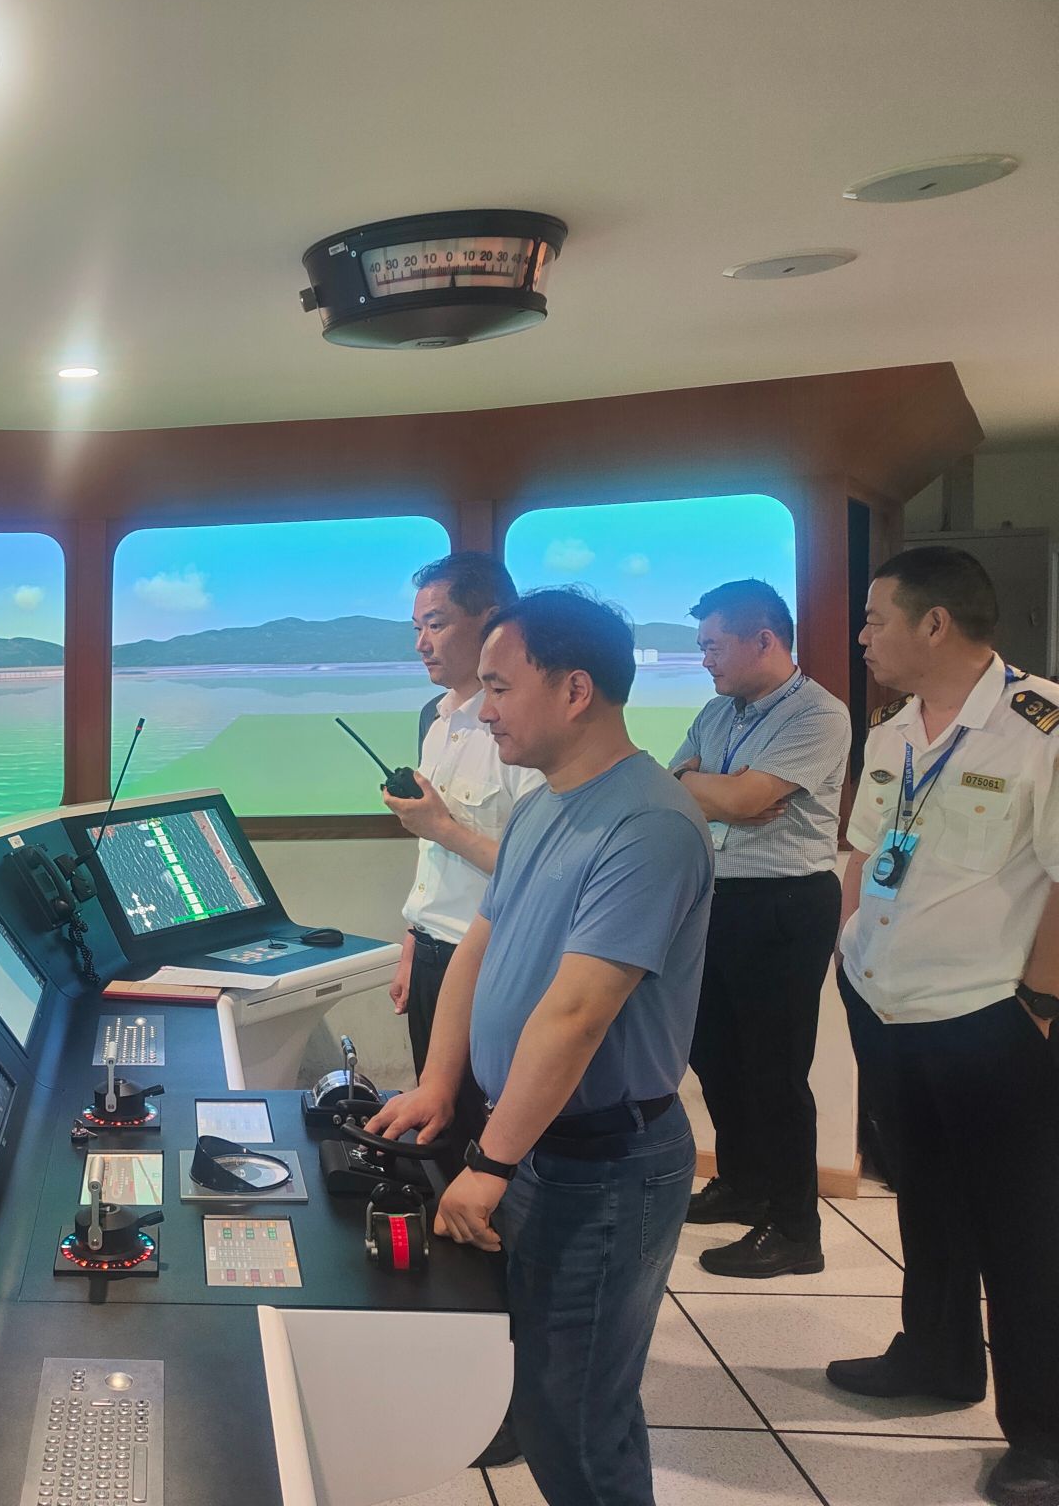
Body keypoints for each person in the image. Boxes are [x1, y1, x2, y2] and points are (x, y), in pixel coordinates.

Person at [372, 588, 713, 1506]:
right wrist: (439, 1084)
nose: (483, 710)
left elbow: (577, 1016)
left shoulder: (648, 824)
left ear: (574, 690)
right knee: (544, 1385)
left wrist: (489, 1160)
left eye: (499, 686)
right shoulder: (541, 807)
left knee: (577, 1416)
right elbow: (478, 948)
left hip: (604, 1161)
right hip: (534, 1143)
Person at [831, 546, 1059, 1505]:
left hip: (991, 1018)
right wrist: (845, 954)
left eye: (875, 618)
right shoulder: (892, 731)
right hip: (888, 1006)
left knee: (1022, 1229)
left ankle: (1044, 1437)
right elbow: (865, 851)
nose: (862, 636)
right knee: (923, 1199)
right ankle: (937, 1356)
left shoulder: (1039, 727)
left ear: (935, 624)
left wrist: (1038, 1007)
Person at [667, 580, 850, 1277]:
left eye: (714, 646)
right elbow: (670, 784)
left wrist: (727, 794)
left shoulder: (818, 714)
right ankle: (742, 1185)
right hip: (714, 899)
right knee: (714, 1056)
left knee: (775, 1071)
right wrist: (721, 794)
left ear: (764, 640)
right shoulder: (717, 711)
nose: (704, 660)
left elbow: (747, 797)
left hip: (785, 904)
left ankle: (796, 1229)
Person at [387, 552, 542, 1143]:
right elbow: (436, 859)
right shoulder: (436, 720)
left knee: (490, 1138)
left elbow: (540, 873)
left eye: (437, 624)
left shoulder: (525, 731)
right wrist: (413, 940)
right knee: (438, 1134)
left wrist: (443, 827)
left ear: (493, 620)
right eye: (417, 628)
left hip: (493, 963)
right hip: (433, 957)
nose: (422, 643)